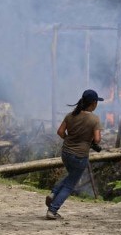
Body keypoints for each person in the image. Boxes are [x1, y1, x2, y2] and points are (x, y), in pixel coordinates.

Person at [45, 89, 104, 220]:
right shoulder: (94, 119)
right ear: (93, 103)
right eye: (97, 102)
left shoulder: (70, 115)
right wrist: (88, 140)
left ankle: (54, 193)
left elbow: (60, 132)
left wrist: (69, 139)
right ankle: (52, 210)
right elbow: (98, 139)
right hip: (80, 156)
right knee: (70, 185)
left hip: (66, 153)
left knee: (71, 177)